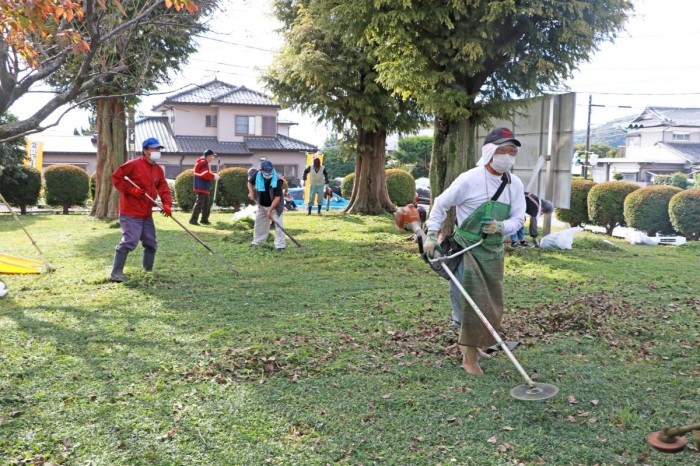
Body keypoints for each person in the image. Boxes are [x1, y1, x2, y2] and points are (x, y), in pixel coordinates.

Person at [423, 127, 526, 375]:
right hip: (467, 251)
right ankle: (468, 357)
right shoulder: (470, 178)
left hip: (492, 253)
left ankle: (476, 345)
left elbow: (519, 218)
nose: (508, 156)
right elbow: (441, 203)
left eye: (512, 152)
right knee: (468, 303)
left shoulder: (515, 183)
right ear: (490, 152)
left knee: (490, 304)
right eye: (503, 150)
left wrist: (503, 227)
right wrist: (430, 234)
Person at [109, 137, 173, 282]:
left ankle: (147, 271)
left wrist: (167, 204)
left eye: (158, 149)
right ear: (145, 151)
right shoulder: (133, 165)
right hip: (130, 212)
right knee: (130, 241)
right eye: (154, 149)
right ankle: (116, 273)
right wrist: (132, 190)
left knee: (151, 242)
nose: (157, 152)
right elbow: (116, 178)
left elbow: (163, 188)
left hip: (146, 213)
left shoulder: (158, 170)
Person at [247, 160, 286, 251]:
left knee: (279, 225)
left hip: (275, 207)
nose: (268, 174)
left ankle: (280, 246)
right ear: (261, 170)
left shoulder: (277, 179)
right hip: (262, 204)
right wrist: (251, 192)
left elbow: (277, 198)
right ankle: (258, 242)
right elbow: (249, 183)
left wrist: (270, 210)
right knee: (259, 224)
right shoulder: (257, 175)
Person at [190, 149, 220, 226]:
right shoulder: (203, 163)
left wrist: (213, 175)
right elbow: (205, 174)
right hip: (201, 186)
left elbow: (206, 173)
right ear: (208, 156)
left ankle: (204, 220)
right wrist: (213, 176)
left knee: (206, 204)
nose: (212, 158)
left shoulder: (203, 162)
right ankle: (193, 220)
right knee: (199, 204)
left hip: (203, 186)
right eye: (212, 156)